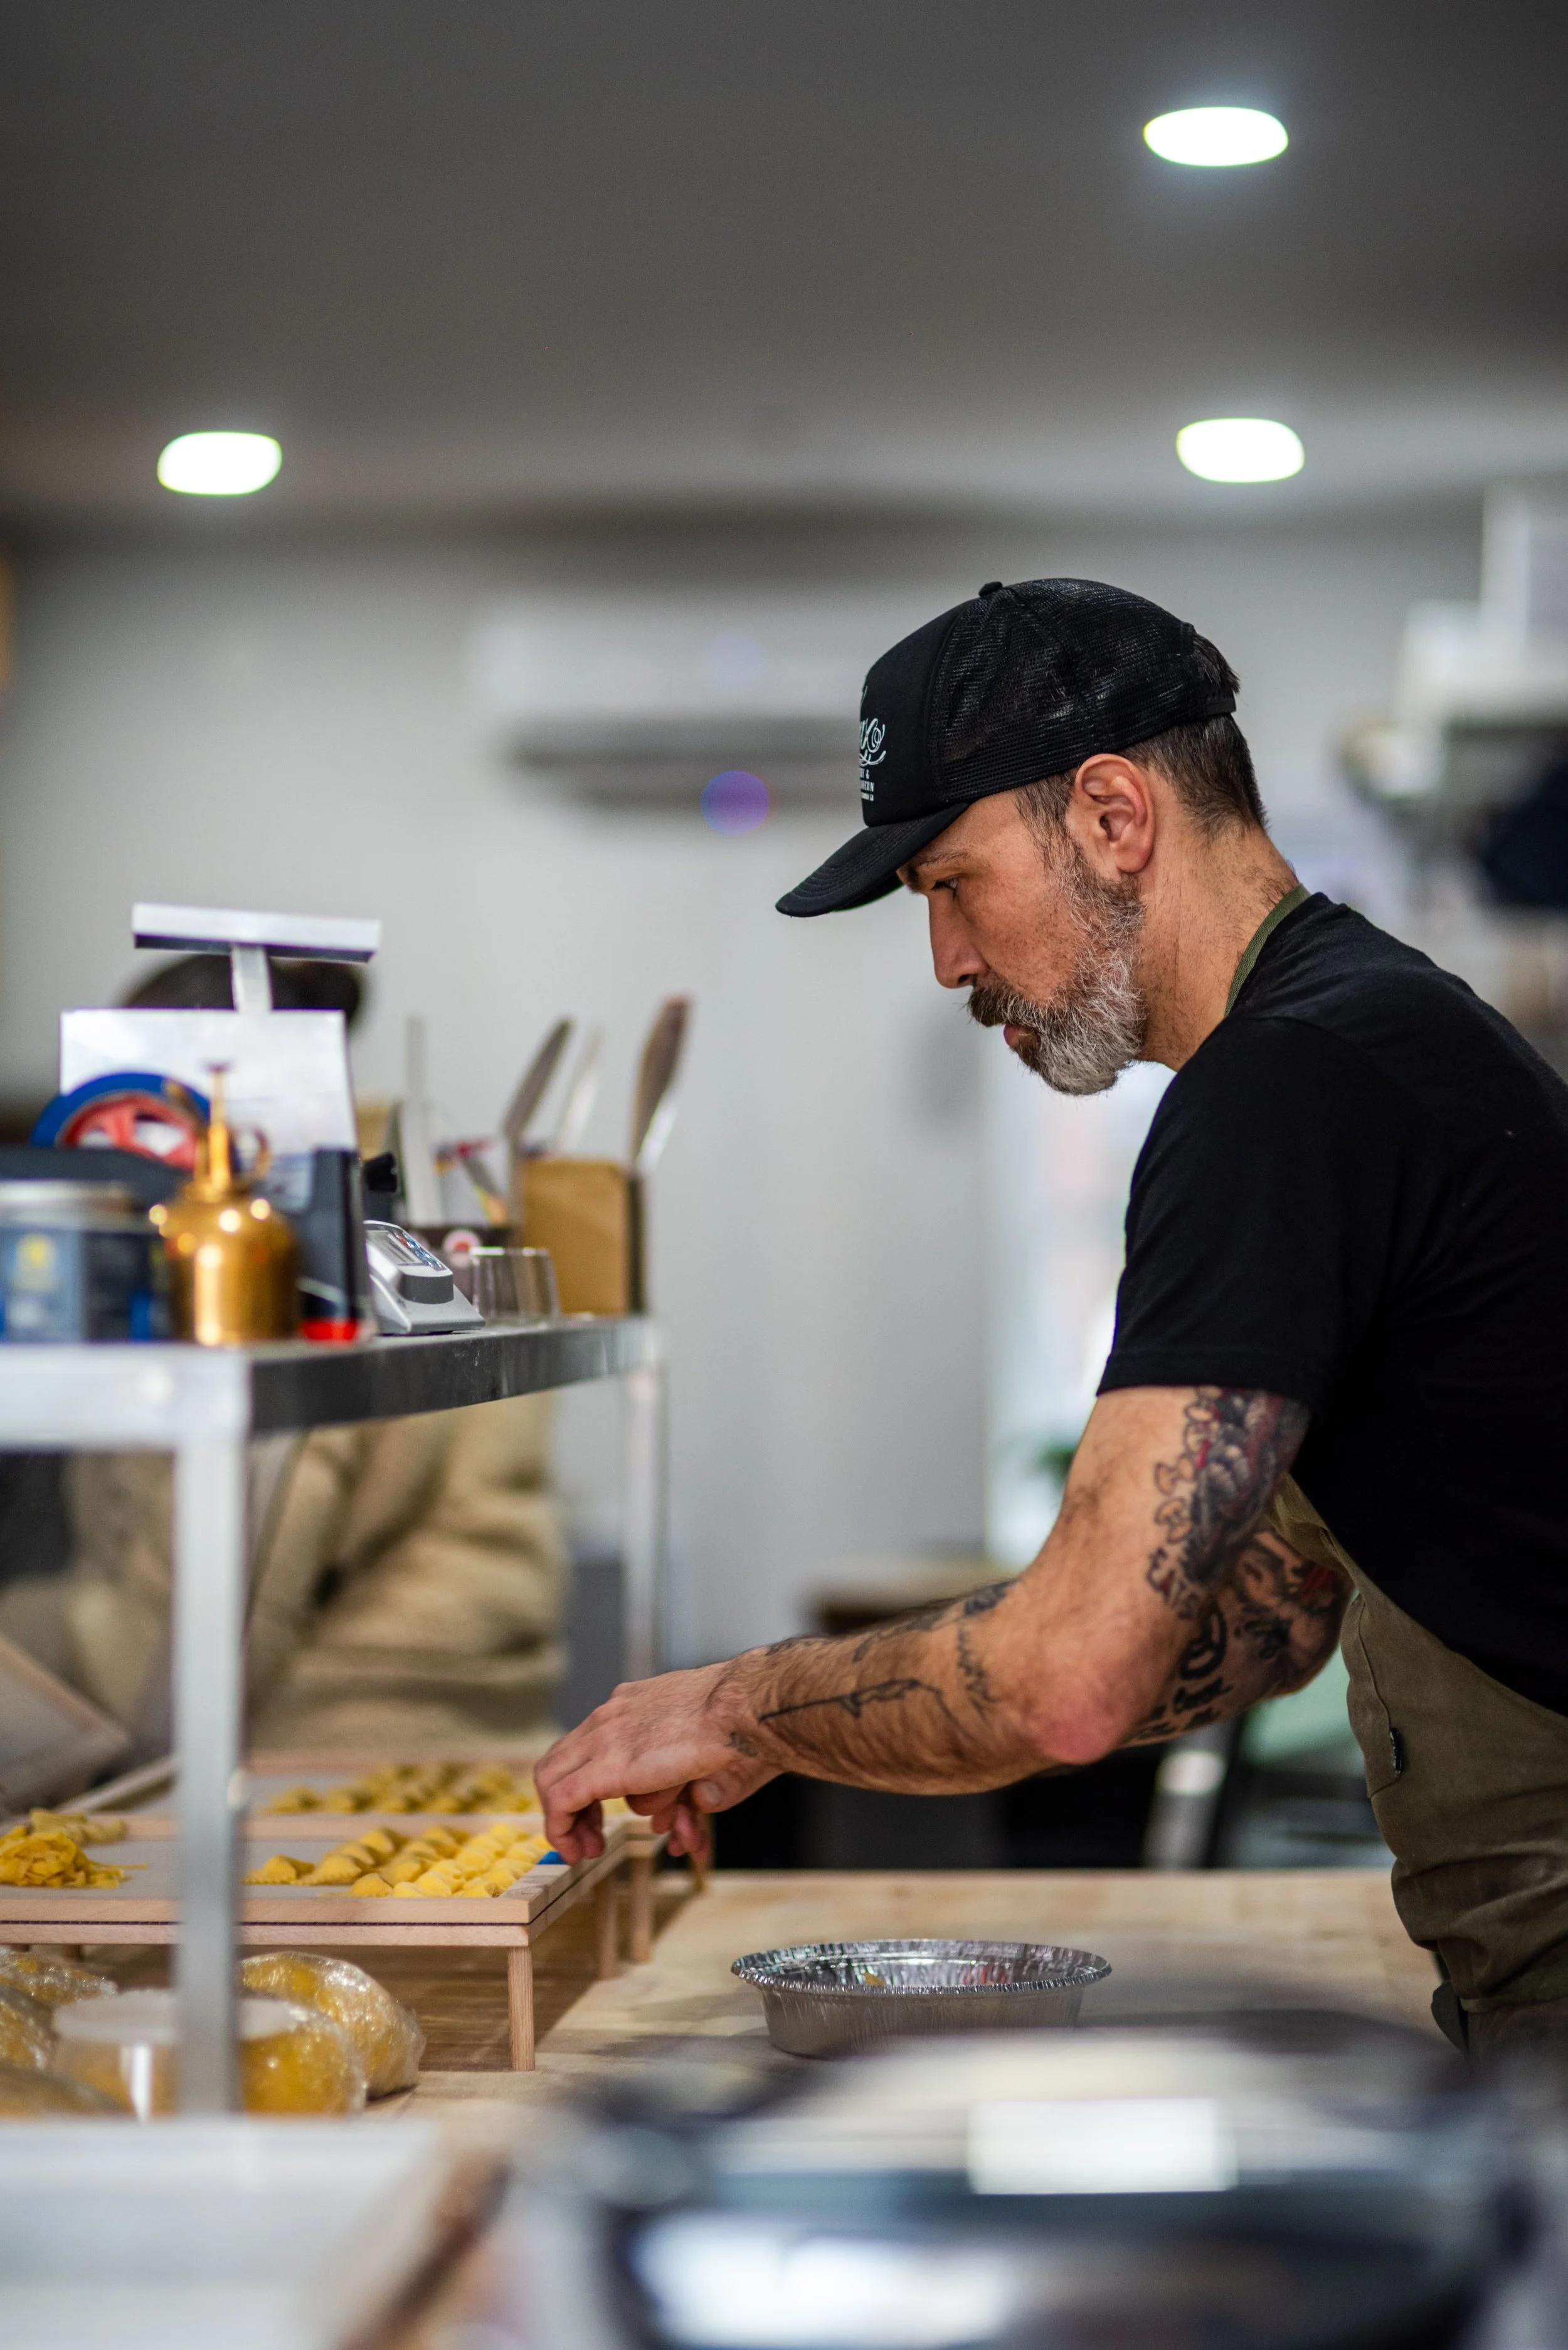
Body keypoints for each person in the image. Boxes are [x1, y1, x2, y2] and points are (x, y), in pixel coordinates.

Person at [536, 577, 1568, 2057]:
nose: (949, 962)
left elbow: (1070, 1683)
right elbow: (1274, 1610)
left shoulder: (1281, 1090)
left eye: (953, 884)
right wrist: (828, 1722)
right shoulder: (1369, 1040)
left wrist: (745, 1704)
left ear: (1110, 815)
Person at [0, 953, 566, 1756]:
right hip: (477, 1740)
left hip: (329, 1766)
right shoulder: (413, 1201)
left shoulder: (278, 1248)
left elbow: (191, 1648)